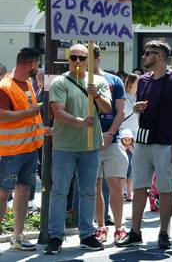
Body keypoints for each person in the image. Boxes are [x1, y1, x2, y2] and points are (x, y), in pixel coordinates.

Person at [117, 40, 172, 249]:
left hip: (166, 143)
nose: (144, 56)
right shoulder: (142, 80)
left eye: (148, 53)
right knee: (139, 187)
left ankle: (164, 232)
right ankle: (135, 232)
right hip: (143, 141)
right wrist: (138, 108)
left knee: (166, 188)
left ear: (159, 56)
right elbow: (142, 108)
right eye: (144, 52)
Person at [46, 43, 113, 254]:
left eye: (81, 58)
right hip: (65, 146)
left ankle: (86, 234)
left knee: (88, 191)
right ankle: (55, 235)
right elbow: (57, 111)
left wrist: (98, 95)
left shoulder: (99, 81)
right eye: (73, 57)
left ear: (88, 61)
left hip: (90, 147)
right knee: (59, 191)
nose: (77, 61)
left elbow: (107, 108)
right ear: (68, 59)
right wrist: (81, 122)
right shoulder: (59, 81)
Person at [0, 47, 45, 251]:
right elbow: (1, 115)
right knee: (3, 193)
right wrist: (29, 112)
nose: (39, 66)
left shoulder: (27, 82)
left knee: (24, 190)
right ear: (30, 63)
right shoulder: (5, 86)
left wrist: (43, 129)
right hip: (10, 152)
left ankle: (17, 237)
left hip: (29, 148)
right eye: (37, 62)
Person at [92, 45, 128, 245]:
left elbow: (120, 111)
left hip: (112, 140)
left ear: (99, 58)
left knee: (115, 184)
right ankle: (100, 227)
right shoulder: (81, 80)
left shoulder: (114, 80)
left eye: (90, 57)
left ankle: (120, 226)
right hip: (88, 141)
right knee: (96, 186)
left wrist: (110, 134)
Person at [121, 74, 139, 138]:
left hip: (137, 133)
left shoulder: (141, 97)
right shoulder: (121, 96)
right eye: (138, 82)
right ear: (131, 83)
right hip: (123, 132)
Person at [119, 129, 135, 202]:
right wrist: (124, 149)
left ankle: (130, 194)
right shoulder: (120, 146)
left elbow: (135, 154)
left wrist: (131, 149)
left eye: (129, 140)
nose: (127, 142)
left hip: (131, 167)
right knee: (123, 180)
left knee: (130, 181)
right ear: (121, 140)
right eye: (125, 140)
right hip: (123, 166)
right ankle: (123, 193)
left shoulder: (133, 147)